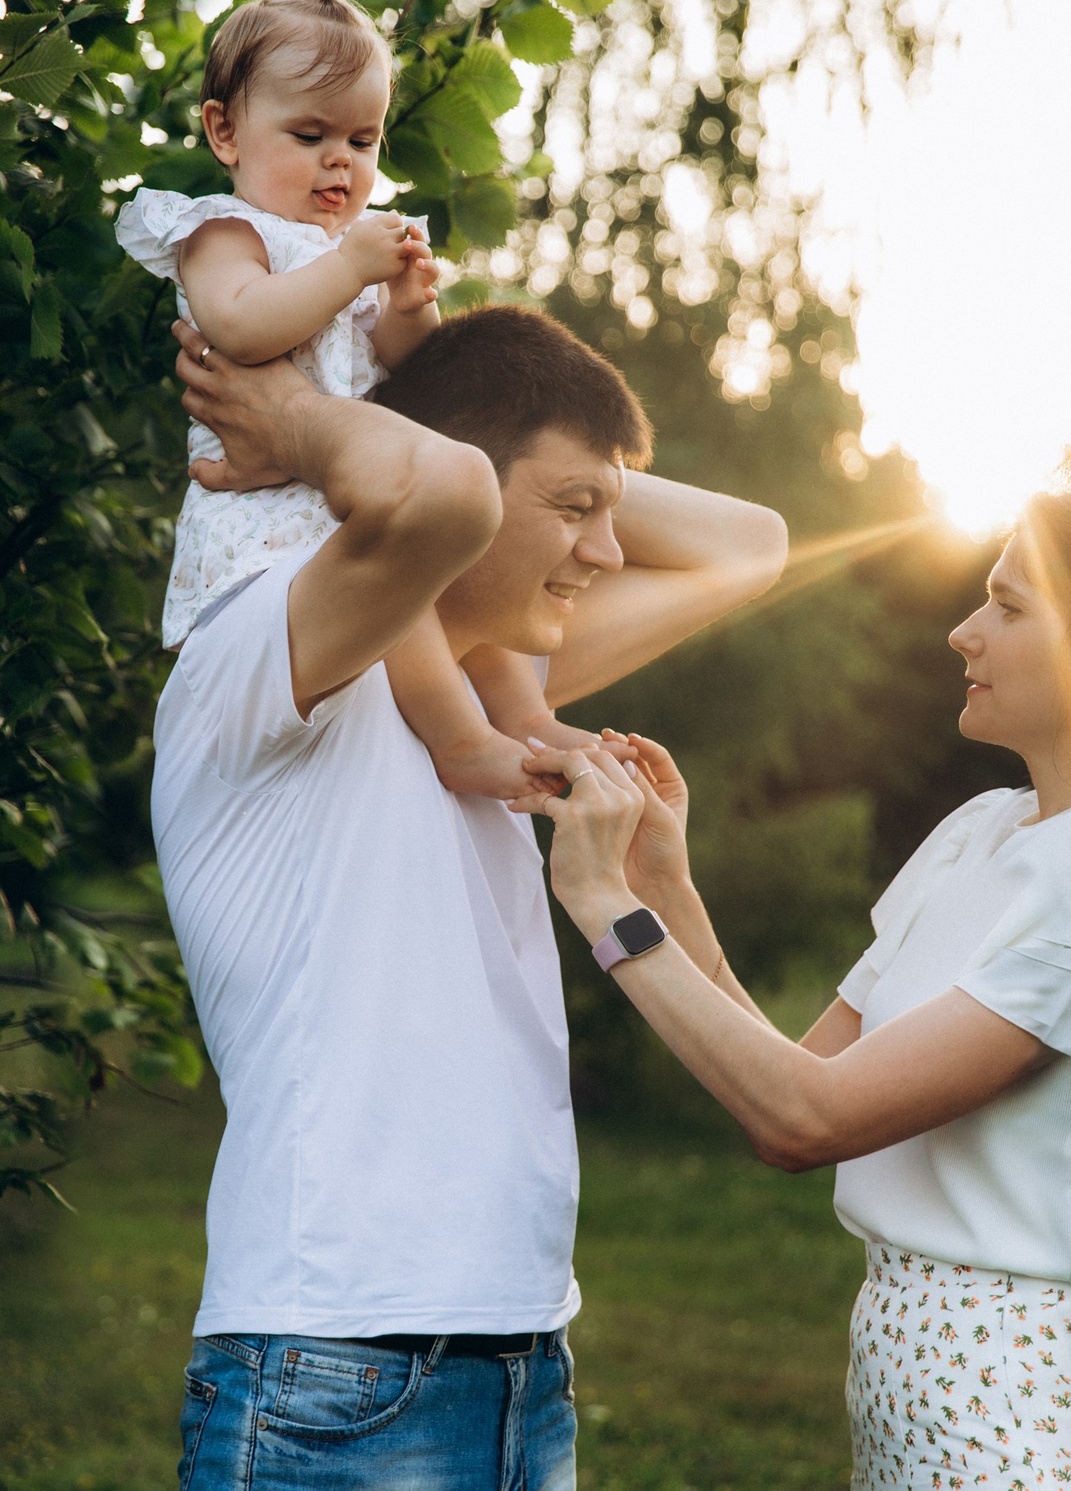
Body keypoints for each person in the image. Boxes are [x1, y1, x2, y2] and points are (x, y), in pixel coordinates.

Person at [529, 485, 1071, 1490]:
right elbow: (796, 1075)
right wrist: (660, 884)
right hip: (919, 1375)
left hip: (1019, 1401)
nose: (962, 631)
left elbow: (801, 1122)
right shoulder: (981, 832)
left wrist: (602, 909)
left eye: (1010, 606)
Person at [154, 304, 787, 1490]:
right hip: (327, 1367)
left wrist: (518, 445)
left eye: (609, 513)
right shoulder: (263, 648)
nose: (604, 552)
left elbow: (750, 543)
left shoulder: (496, 687)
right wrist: (299, 408)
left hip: (521, 1354)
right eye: (571, 511)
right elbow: (440, 492)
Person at [119, 0, 587, 800]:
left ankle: (525, 717)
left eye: (362, 142)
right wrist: (349, 271)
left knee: (466, 559)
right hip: (272, 523)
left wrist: (409, 304)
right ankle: (463, 741)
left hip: (365, 485)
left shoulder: (355, 247)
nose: (340, 163)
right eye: (310, 137)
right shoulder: (228, 232)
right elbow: (241, 323)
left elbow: (410, 373)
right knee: (411, 592)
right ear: (225, 132)